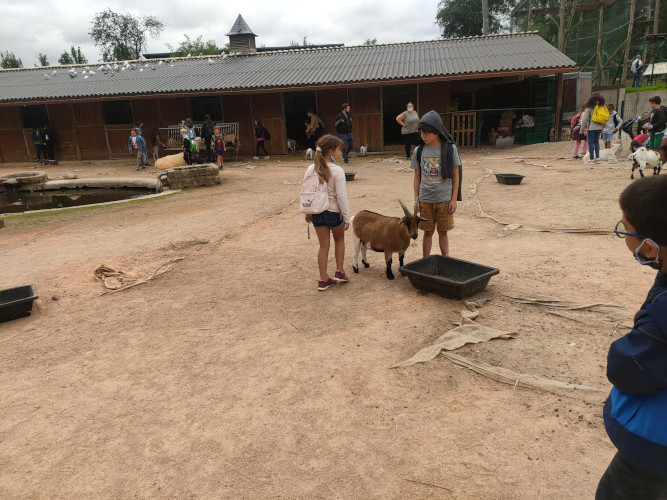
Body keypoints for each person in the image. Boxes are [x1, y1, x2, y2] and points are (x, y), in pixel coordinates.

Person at [595, 175, 667, 499]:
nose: (623, 232)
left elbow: (626, 366)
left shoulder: (660, 321)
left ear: (649, 247)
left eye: (625, 229)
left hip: (655, 448)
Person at [303, 134, 351, 291]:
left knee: (323, 245)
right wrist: (346, 216)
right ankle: (339, 271)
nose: (340, 153)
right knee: (339, 240)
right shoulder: (338, 171)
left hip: (316, 212)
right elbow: (341, 197)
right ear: (331, 151)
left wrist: (308, 211)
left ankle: (323, 279)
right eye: (338, 149)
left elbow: (306, 191)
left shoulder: (311, 168)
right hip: (332, 212)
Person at [411, 110, 461, 258]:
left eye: (427, 133)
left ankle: (446, 260)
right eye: (421, 132)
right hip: (426, 199)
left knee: (443, 232)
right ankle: (425, 261)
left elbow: (456, 175)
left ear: (437, 131)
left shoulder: (450, 149)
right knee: (428, 232)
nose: (423, 136)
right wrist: (416, 199)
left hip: (444, 199)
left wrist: (453, 199)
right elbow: (416, 176)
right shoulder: (419, 150)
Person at [581, 93, 606, 164]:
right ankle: (597, 158)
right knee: (596, 142)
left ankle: (591, 158)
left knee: (591, 143)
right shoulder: (601, 107)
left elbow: (585, 119)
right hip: (599, 127)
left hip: (591, 127)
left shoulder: (589, 108)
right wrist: (603, 126)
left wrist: (581, 130)